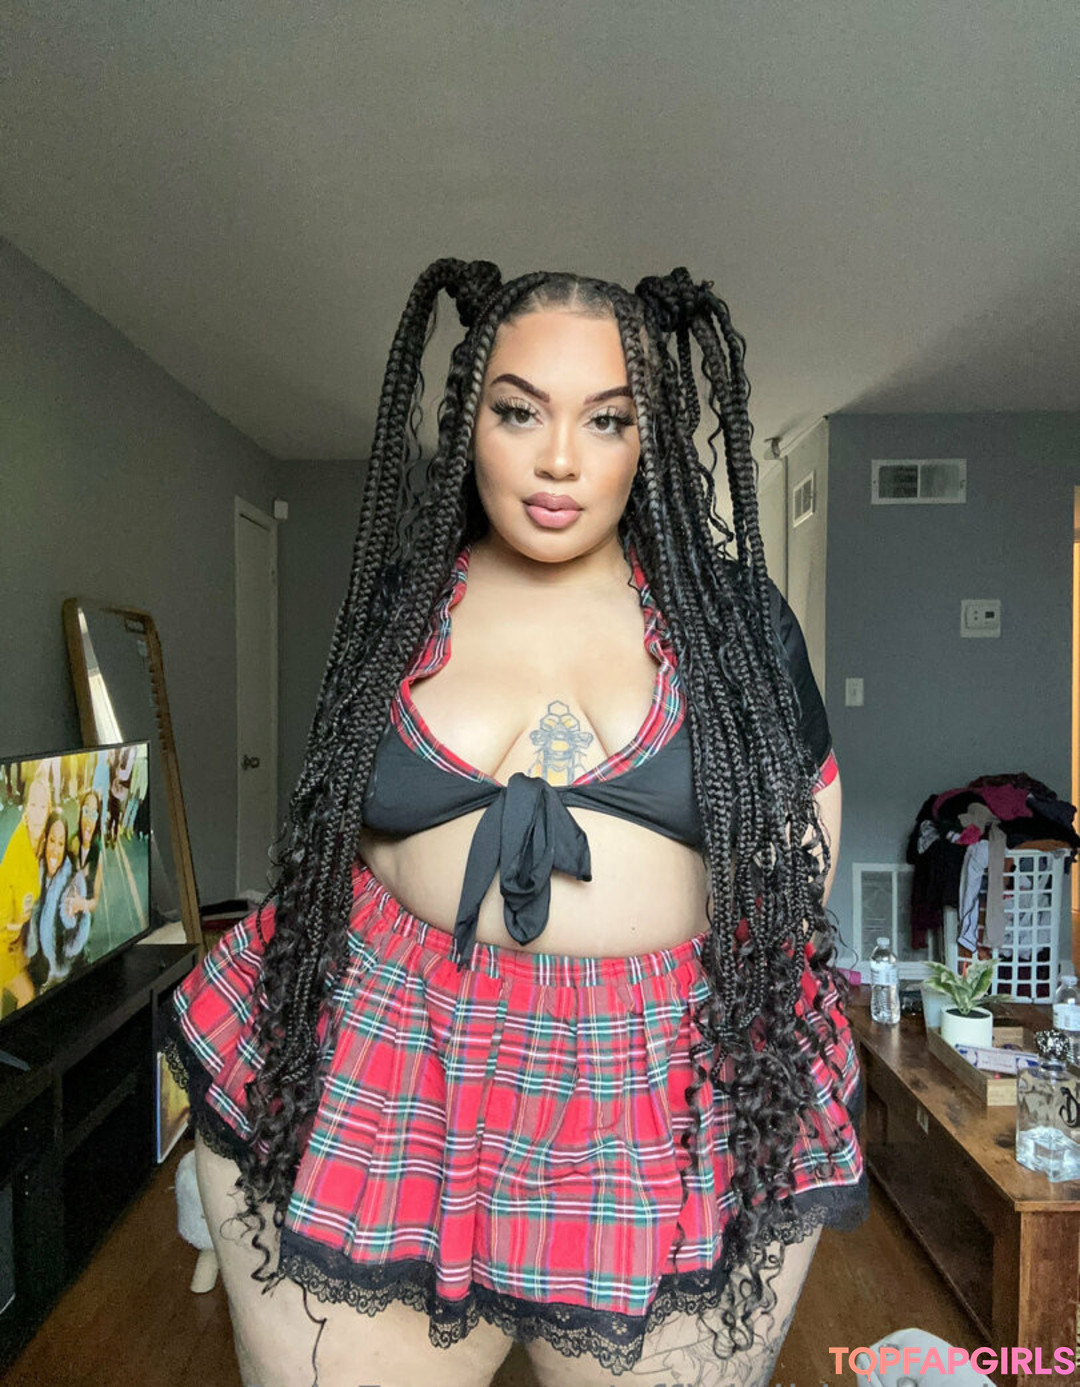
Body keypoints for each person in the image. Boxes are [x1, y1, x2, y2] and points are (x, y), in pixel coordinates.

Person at [165, 261, 866, 1387]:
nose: (559, 460)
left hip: (658, 1097)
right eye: (520, 411)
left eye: (608, 419)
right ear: (469, 423)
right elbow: (332, 831)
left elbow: (801, 866)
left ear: (650, 437)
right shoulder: (401, 601)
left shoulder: (733, 619)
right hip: (391, 1067)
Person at [0, 771, 51, 1012]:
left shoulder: (39, 842)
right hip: (2, 940)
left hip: (14, 939)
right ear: (26, 809)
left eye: (43, 805)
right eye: (33, 804)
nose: (38, 812)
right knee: (26, 995)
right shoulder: (16, 858)